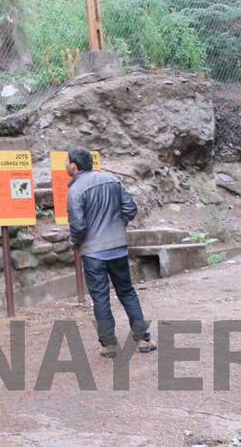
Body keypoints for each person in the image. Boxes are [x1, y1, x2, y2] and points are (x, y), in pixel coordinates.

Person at [65, 146, 156, 357]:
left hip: (93, 252)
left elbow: (78, 226)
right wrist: (116, 225)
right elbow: (130, 209)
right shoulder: (113, 181)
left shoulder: (76, 190)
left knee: (100, 297)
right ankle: (143, 339)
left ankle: (109, 345)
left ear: (74, 166)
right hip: (118, 249)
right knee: (127, 292)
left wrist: (74, 243)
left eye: (67, 162)